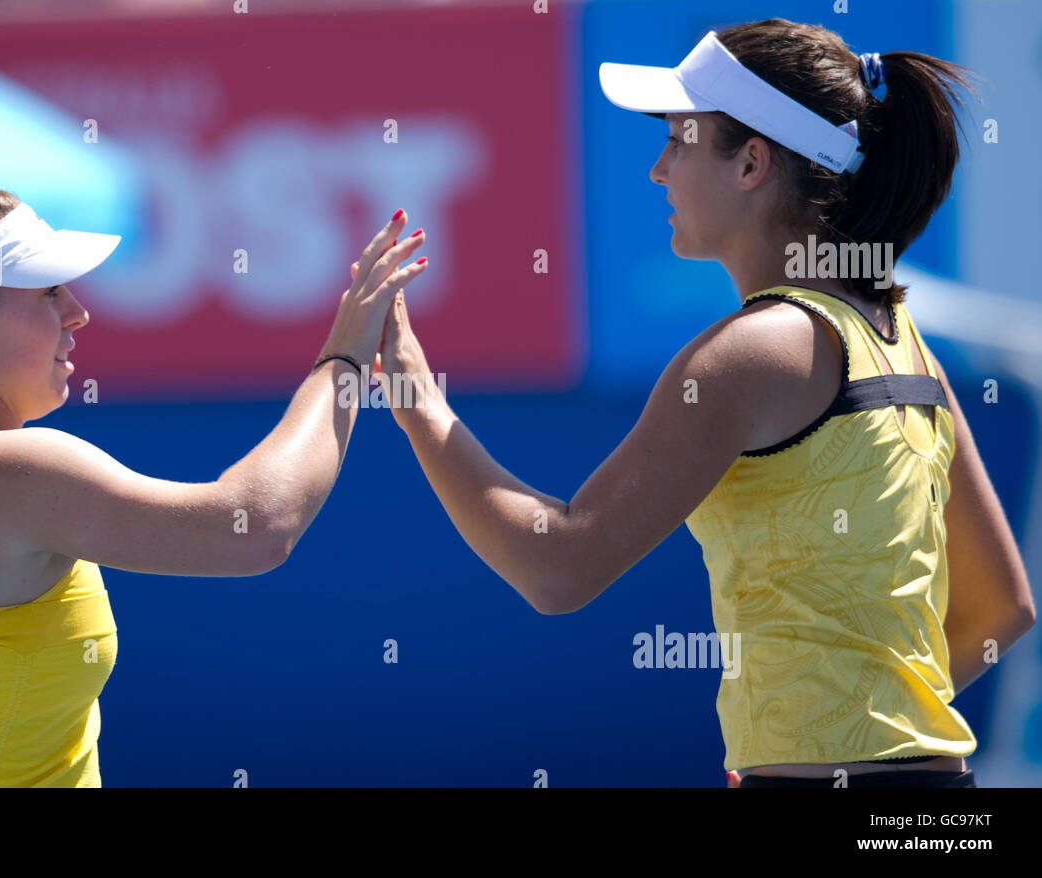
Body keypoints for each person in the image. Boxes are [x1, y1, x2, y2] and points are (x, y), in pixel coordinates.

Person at [373, 19, 1034, 788]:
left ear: (753, 162)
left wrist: (417, 399)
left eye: (681, 141)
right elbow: (1002, 610)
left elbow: (556, 567)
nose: (660, 170)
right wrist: (851, 735)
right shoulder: (908, 347)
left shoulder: (746, 357)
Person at [0, 185, 427, 786]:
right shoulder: (13, 471)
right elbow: (253, 526)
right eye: (47, 293)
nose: (77, 312)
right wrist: (341, 362)